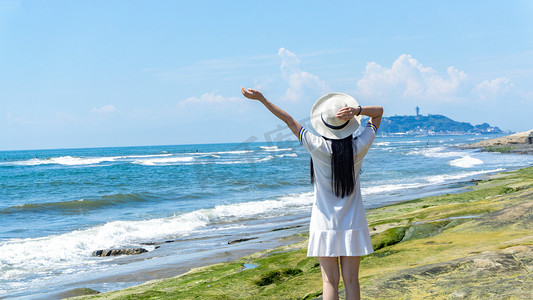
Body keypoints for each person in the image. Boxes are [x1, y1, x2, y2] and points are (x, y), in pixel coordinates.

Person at [241, 87, 383, 300]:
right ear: (348, 125)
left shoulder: (316, 145)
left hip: (323, 224)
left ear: (324, 125)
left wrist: (262, 99)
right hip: (353, 222)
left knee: (329, 281)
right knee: (352, 280)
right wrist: (358, 110)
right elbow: (379, 112)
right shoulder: (359, 146)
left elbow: (288, 120)